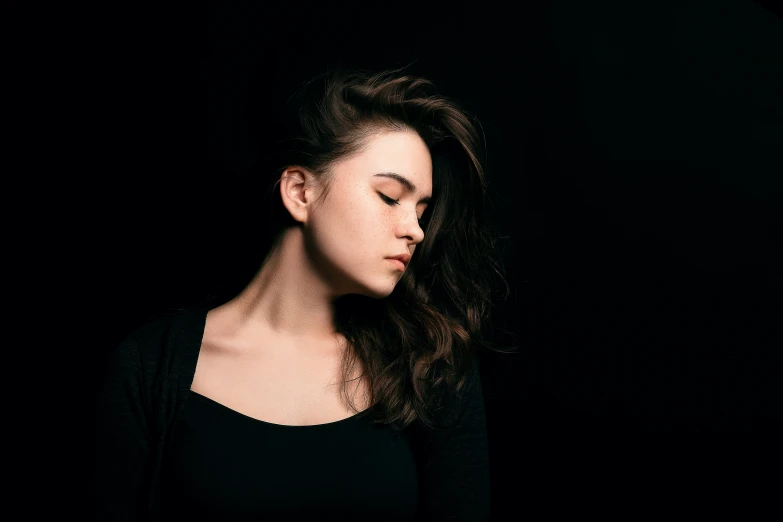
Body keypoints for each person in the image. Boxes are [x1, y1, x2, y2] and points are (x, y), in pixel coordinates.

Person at [91, 65, 515, 521]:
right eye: (391, 197)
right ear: (299, 191)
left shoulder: (430, 364)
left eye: (421, 211)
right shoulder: (150, 366)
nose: (414, 230)